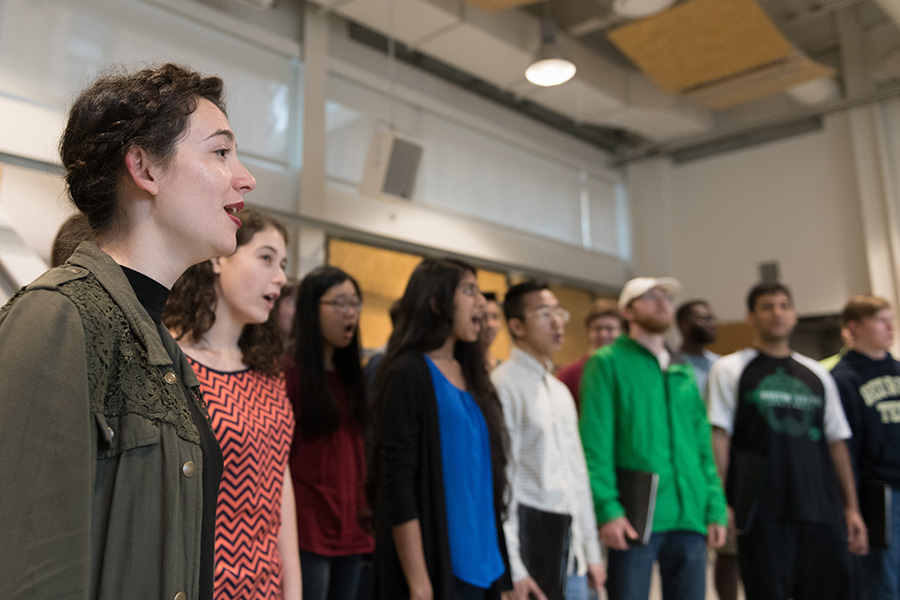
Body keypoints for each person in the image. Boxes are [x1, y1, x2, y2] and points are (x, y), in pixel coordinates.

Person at [0, 62, 256, 599]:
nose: (246, 178)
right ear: (143, 167)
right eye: (220, 152)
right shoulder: (58, 317)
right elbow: (31, 573)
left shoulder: (158, 347)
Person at [162, 209, 301, 600]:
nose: (280, 278)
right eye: (266, 258)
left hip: (266, 584)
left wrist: (294, 587)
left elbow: (279, 479)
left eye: (284, 265)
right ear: (220, 258)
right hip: (199, 582)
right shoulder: (172, 362)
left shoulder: (269, 371)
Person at [707, 281, 868, 600]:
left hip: (822, 510)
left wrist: (851, 508)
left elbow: (837, 442)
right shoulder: (729, 369)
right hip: (763, 513)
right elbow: (719, 437)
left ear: (794, 315)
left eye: (784, 306)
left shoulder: (817, 374)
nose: (777, 313)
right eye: (767, 307)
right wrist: (720, 502)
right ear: (750, 316)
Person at [370, 257, 512, 600]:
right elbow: (398, 485)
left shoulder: (475, 375)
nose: (481, 302)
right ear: (436, 302)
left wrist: (506, 576)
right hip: (439, 570)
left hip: (488, 567)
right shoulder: (408, 372)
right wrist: (419, 584)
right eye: (469, 290)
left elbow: (485, 484)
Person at [579, 276, 727, 600]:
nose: (662, 303)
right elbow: (595, 445)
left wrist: (715, 506)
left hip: (690, 513)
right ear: (627, 312)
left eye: (667, 298)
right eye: (650, 297)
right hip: (635, 517)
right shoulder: (606, 363)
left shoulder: (682, 369)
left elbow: (702, 445)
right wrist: (608, 509)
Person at [491, 280, 605, 600]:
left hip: (574, 555)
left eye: (559, 312)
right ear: (516, 325)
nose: (557, 321)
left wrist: (592, 552)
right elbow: (503, 483)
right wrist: (514, 568)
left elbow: (577, 475)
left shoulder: (559, 390)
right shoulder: (503, 386)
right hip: (533, 555)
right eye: (544, 313)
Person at [286, 266, 374, 600]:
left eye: (355, 303)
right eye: (339, 303)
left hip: (350, 524)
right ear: (312, 308)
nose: (350, 312)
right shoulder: (289, 372)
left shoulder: (352, 376)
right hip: (309, 528)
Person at [831, 295, 900, 600]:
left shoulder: (898, 370)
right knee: (881, 583)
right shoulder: (843, 378)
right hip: (878, 495)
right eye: (880, 320)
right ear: (853, 328)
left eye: (891, 319)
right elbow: (844, 448)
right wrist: (852, 507)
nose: (890, 327)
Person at [555, 298, 622, 410]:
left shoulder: (628, 372)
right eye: (597, 329)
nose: (603, 334)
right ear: (588, 332)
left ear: (622, 332)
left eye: (609, 329)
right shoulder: (569, 375)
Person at [675, 300, 720, 395]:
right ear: (683, 324)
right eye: (703, 319)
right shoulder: (671, 363)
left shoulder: (718, 363)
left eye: (712, 319)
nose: (711, 324)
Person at [480, 291, 504, 370]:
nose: (490, 324)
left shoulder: (502, 368)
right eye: (483, 317)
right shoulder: (462, 368)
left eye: (495, 316)